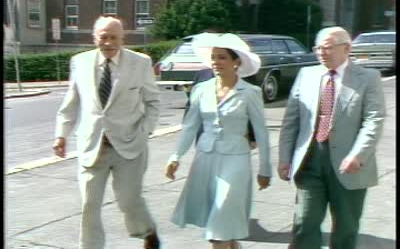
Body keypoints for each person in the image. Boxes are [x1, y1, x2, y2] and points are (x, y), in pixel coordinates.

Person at [52, 15, 161, 249]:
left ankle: (147, 232)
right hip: (93, 146)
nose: (108, 42)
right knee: (88, 205)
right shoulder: (79, 62)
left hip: (130, 146)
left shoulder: (140, 63)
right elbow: (71, 102)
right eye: (103, 37)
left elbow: (153, 101)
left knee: (128, 201)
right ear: (95, 38)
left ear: (122, 38)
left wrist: (146, 130)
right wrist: (61, 135)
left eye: (114, 37)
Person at [278, 26, 385, 249]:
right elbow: (291, 121)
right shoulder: (306, 75)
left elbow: (373, 120)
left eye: (327, 48)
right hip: (310, 161)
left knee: (346, 229)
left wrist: (358, 154)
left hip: (350, 165)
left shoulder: (368, 78)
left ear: (346, 48)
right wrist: (284, 157)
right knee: (304, 222)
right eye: (318, 48)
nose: (321, 53)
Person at [165, 33, 272, 249]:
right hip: (205, 159)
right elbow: (190, 127)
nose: (216, 62)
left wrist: (265, 169)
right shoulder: (201, 90)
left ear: (236, 62)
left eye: (222, 57)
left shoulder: (250, 92)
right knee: (220, 225)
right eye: (213, 57)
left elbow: (261, 132)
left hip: (236, 161)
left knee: (220, 222)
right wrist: (176, 157)